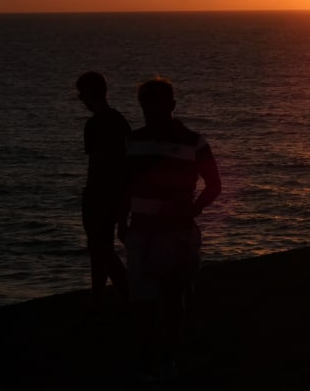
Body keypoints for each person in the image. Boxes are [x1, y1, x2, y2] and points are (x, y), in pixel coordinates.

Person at [122, 76, 222, 382]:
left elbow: (214, 186)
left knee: (163, 300)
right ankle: (158, 359)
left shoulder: (184, 142)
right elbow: (214, 186)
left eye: (154, 105)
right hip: (148, 231)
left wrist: (189, 210)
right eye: (147, 105)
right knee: (155, 301)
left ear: (171, 106)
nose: (150, 110)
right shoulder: (185, 142)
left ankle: (160, 359)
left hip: (167, 232)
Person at [75, 71, 131, 313]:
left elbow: (96, 166)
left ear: (89, 94)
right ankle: (97, 298)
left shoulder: (95, 125)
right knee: (100, 248)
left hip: (99, 195)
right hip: (116, 194)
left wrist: (92, 196)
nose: (81, 100)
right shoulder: (120, 121)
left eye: (81, 95)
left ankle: (129, 297)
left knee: (100, 250)